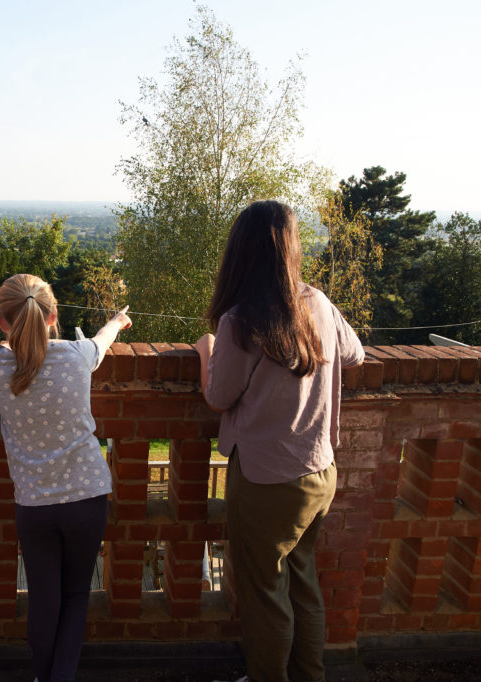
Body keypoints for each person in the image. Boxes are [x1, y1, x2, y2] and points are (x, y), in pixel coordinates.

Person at [194, 200, 364, 682]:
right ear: (290, 248)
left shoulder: (240, 321)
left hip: (267, 479)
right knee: (303, 583)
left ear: (240, 252)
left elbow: (220, 396)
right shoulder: (318, 303)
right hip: (319, 471)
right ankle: (309, 675)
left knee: (265, 593)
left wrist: (205, 351)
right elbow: (355, 354)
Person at [0, 274, 131, 682]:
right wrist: (117, 322)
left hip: (34, 503)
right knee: (77, 593)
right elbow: (100, 343)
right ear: (53, 316)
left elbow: (18, 350)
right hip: (87, 497)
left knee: (44, 598)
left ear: (2, 320)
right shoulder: (76, 356)